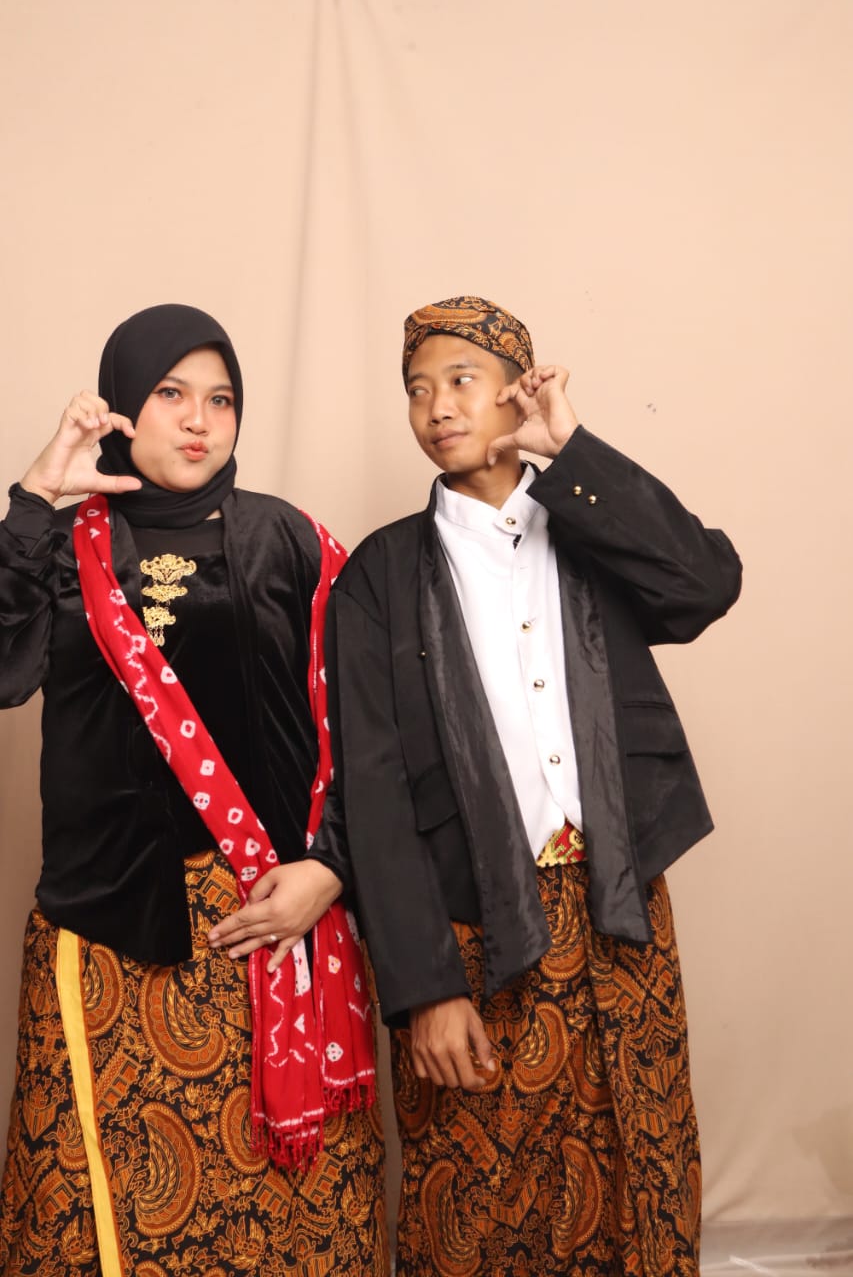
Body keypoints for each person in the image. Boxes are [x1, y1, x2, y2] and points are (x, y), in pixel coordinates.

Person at [318, 296, 742, 1276]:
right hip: (471, 926)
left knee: (640, 1173)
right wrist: (424, 989)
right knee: (479, 1203)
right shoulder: (379, 575)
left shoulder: (588, 527)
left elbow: (703, 584)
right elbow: (372, 790)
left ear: (520, 390)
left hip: (617, 905)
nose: (435, 407)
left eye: (460, 380)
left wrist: (575, 453)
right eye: (416, 389)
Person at [0, 304, 389, 1277]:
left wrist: (330, 869)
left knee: (286, 1219)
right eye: (170, 393)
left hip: (277, 920)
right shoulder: (65, 544)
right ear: (121, 405)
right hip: (111, 928)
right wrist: (36, 495)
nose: (197, 420)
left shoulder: (293, 540)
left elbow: (373, 728)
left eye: (220, 399)